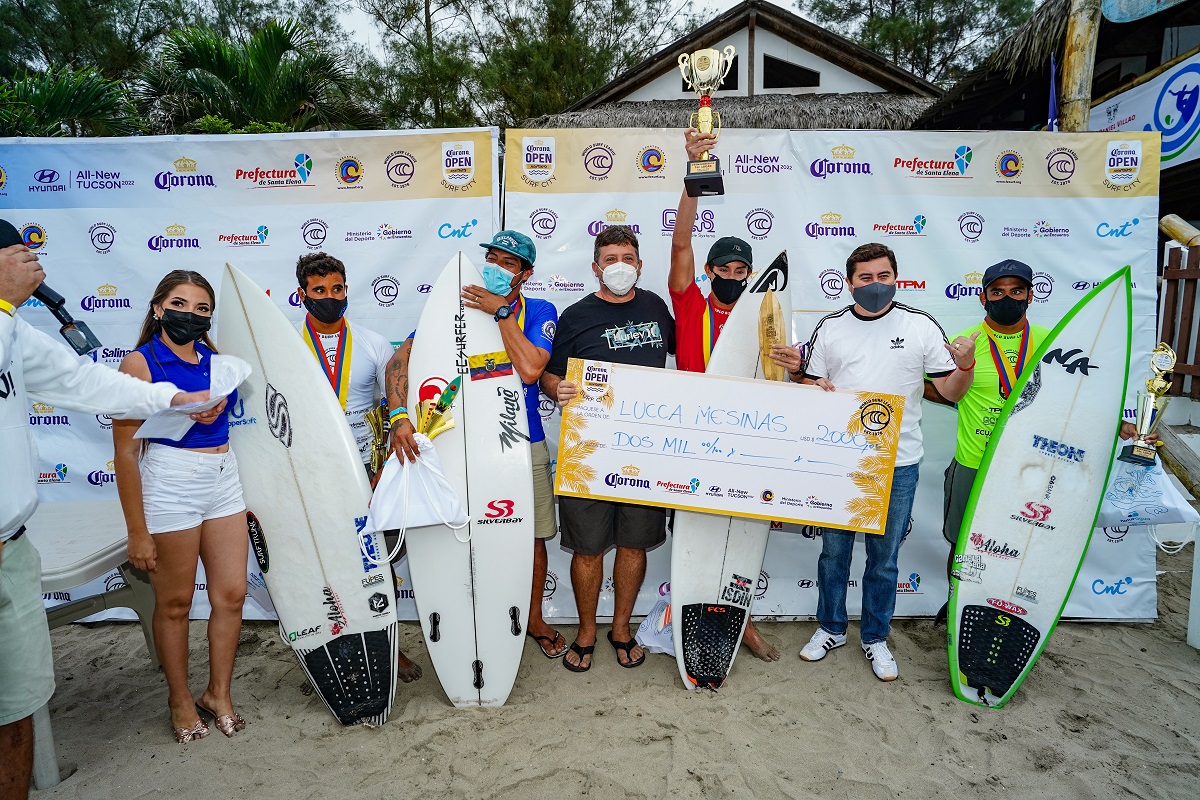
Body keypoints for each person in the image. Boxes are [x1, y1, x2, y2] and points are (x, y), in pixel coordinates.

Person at [0, 226, 211, 797]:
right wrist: (3, 303)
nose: (28, 261)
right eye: (13, 253)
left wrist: (172, 397)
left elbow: (84, 383)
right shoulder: (5, 317)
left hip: (11, 547)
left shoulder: (16, 330)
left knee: (20, 705)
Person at [386, 231, 567, 659]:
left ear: (525, 274)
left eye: (508, 263)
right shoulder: (453, 305)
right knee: (454, 532)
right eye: (492, 258)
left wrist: (500, 311)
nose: (496, 268)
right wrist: (398, 416)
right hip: (456, 444)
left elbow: (530, 369)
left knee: (532, 536)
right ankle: (460, 616)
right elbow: (400, 360)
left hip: (521, 442)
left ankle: (533, 617)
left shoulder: (539, 310)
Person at [799, 242, 974, 681]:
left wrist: (966, 366)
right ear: (849, 283)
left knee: (884, 558)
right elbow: (810, 386)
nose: (875, 284)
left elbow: (951, 392)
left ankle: (875, 637)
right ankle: (831, 628)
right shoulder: (831, 327)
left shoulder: (919, 325)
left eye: (883, 276)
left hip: (899, 462)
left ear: (896, 278)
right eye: (865, 277)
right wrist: (811, 386)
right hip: (842, 461)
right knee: (833, 553)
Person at [925, 259, 1136, 620]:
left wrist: (1117, 422)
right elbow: (929, 386)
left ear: (1030, 295)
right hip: (975, 462)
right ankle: (957, 605)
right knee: (964, 545)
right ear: (983, 297)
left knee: (1020, 542)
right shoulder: (963, 343)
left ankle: (1008, 609)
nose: (1007, 298)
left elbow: (1082, 394)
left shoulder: (1054, 341)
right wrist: (955, 396)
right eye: (997, 292)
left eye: (1016, 291)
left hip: (1032, 465)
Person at [668, 128, 803, 663]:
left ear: (750, 275)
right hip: (693, 435)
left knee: (743, 531)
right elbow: (680, 243)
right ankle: (685, 608)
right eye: (722, 269)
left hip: (747, 441)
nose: (730, 276)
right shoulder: (689, 305)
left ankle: (742, 622)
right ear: (708, 272)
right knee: (698, 531)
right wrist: (693, 176)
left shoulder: (767, 316)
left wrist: (796, 369)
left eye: (740, 270)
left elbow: (781, 382)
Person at [112, 271, 249, 742]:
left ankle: (218, 694)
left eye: (201, 308)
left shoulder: (217, 361)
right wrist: (137, 531)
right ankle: (179, 699)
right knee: (175, 603)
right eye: (179, 304)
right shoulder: (140, 363)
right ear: (158, 308)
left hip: (224, 477)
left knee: (231, 595)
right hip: (171, 482)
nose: (190, 314)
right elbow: (125, 452)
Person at [539, 225, 676, 672]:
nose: (620, 266)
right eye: (611, 259)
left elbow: (693, 354)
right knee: (588, 548)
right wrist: (556, 387)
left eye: (628, 258)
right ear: (596, 267)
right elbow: (549, 373)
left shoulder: (656, 307)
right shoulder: (575, 315)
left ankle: (620, 629)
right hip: (589, 450)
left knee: (634, 545)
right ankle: (585, 632)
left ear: (640, 265)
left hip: (645, 449)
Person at [295, 252, 395, 481]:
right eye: (319, 290)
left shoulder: (375, 343)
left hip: (367, 464)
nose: (330, 297)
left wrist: (388, 463)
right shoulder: (286, 342)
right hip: (307, 465)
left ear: (346, 290)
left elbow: (396, 407)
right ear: (302, 294)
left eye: (337, 289)